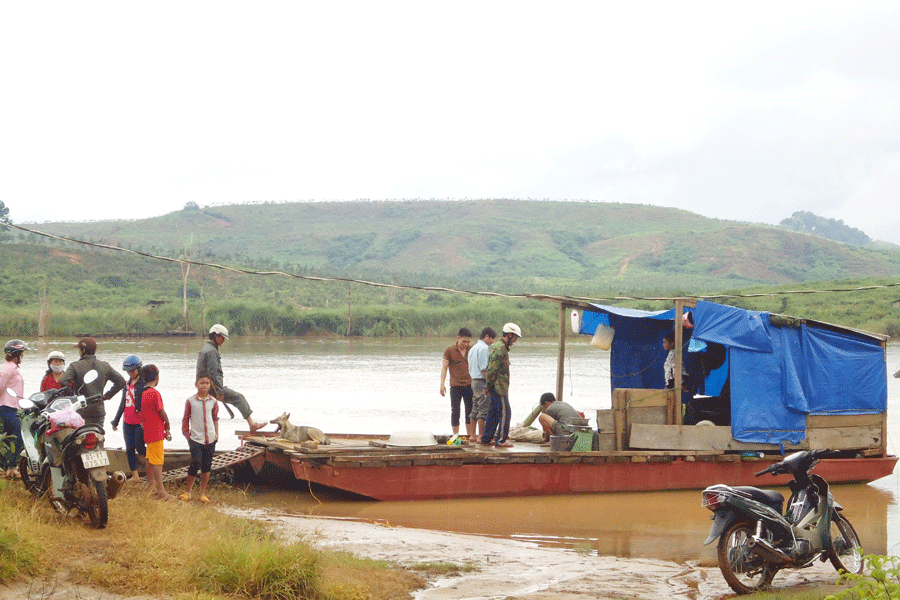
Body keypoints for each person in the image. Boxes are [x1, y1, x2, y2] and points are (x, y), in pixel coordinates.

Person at [196, 324, 265, 433]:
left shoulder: (207, 349)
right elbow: (214, 373)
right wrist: (219, 392)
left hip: (204, 388)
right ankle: (252, 424)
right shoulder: (211, 351)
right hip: (212, 388)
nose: (223, 340)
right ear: (216, 336)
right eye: (222, 337)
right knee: (239, 398)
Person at [59, 337, 126, 428]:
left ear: (83, 350)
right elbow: (121, 382)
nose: (79, 352)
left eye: (79, 349)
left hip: (80, 411)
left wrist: (72, 397)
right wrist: (107, 395)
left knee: (79, 440)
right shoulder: (105, 366)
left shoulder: (75, 366)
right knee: (98, 439)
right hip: (98, 411)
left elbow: (63, 381)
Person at [480, 323, 522, 448]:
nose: (515, 341)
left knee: (493, 412)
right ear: (509, 335)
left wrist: (488, 386)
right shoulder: (500, 349)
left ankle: (486, 438)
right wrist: (488, 386)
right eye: (515, 337)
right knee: (505, 412)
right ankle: (501, 440)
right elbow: (492, 370)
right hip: (499, 387)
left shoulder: (499, 347)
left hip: (497, 386)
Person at [180, 375, 219, 504]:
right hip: (196, 438)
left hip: (210, 438)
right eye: (201, 383)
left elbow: (215, 418)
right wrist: (187, 435)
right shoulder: (191, 401)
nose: (204, 385)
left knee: (207, 466)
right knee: (195, 463)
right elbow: (186, 419)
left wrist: (217, 434)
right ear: (196, 384)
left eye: (207, 383)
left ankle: (202, 493)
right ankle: (188, 492)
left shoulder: (213, 401)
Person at [111, 354, 146, 483]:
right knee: (130, 448)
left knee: (140, 447)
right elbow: (122, 404)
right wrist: (116, 421)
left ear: (139, 368)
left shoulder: (144, 384)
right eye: (128, 371)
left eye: (132, 370)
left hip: (139, 422)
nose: (130, 373)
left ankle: (151, 467)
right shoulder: (127, 385)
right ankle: (135, 475)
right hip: (128, 421)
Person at [140, 364, 172, 500]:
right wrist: (168, 426)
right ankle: (161, 490)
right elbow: (161, 411)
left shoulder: (144, 393)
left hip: (148, 430)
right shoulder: (155, 393)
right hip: (157, 431)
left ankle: (150, 485)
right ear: (157, 378)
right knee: (158, 461)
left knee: (150, 459)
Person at [0, 340, 29, 478]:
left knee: (9, 436)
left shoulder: (13, 368)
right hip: (6, 406)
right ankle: (11, 466)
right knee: (18, 433)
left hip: (12, 406)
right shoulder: (8, 368)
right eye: (21, 353)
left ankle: (7, 467)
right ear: (17, 354)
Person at [439, 327, 473, 437]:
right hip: (455, 386)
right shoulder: (449, 350)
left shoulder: (471, 350)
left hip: (469, 385)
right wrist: (442, 384)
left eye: (468, 342)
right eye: (464, 341)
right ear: (458, 338)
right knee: (455, 411)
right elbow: (444, 368)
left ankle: (469, 436)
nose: (466, 344)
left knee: (470, 412)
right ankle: (456, 436)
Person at [467, 327, 496, 442]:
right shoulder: (484, 349)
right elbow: (484, 369)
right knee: (483, 409)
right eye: (492, 339)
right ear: (487, 336)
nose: (492, 342)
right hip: (481, 381)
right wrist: (489, 384)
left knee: (475, 408)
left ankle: (472, 435)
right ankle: (481, 436)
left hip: (473, 381)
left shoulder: (473, 348)